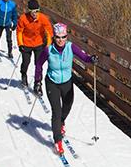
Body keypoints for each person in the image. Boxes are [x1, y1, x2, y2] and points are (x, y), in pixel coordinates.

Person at [34, 23, 98, 154]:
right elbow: (39, 64)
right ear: (54, 37)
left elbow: (84, 57)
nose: (60, 40)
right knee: (56, 112)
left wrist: (91, 59)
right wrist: (37, 81)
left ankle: (61, 122)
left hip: (67, 82)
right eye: (58, 37)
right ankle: (57, 140)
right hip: (52, 82)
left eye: (63, 37)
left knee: (68, 105)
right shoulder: (48, 50)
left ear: (67, 37)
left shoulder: (71, 47)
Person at [16, 0, 53, 87]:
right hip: (26, 43)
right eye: (33, 12)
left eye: (37, 11)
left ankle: (38, 82)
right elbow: (19, 32)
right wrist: (20, 44)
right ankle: (23, 75)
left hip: (38, 43)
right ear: (29, 11)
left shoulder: (43, 18)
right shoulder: (23, 18)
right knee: (26, 62)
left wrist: (48, 45)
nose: (35, 14)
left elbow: (49, 32)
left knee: (38, 64)